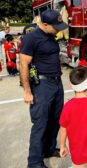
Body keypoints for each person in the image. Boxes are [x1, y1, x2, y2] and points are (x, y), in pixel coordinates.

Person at [19, 9, 68, 168]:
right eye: (56, 27)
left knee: (56, 120)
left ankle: (48, 149)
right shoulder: (31, 38)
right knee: (40, 124)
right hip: (42, 86)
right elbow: (23, 64)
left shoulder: (50, 34)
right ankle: (34, 162)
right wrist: (27, 91)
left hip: (56, 83)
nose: (58, 29)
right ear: (45, 24)